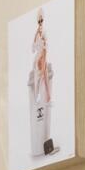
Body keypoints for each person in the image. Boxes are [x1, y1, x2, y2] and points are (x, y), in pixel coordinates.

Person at [28, 14, 57, 159]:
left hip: (41, 70)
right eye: (38, 21)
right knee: (39, 106)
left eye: (42, 21)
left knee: (42, 107)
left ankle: (44, 146)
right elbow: (33, 48)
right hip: (37, 68)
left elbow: (43, 53)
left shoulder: (44, 39)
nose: (40, 23)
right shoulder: (37, 36)